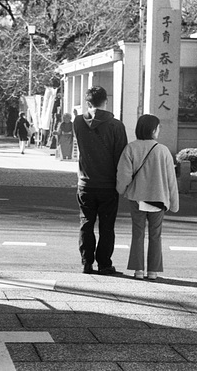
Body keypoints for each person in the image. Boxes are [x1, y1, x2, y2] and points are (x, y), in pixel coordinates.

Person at [116, 115, 179, 280]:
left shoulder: (130, 148)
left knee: (137, 234)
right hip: (159, 198)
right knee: (155, 235)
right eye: (158, 128)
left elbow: (123, 176)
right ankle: (153, 271)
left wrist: (121, 190)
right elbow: (171, 180)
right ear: (153, 130)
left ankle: (138, 270)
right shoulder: (163, 150)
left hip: (137, 197)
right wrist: (174, 203)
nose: (159, 131)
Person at [73, 86, 128, 275]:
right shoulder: (116, 125)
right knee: (107, 226)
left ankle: (86, 263)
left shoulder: (78, 122)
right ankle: (104, 264)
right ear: (106, 100)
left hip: (85, 183)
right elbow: (122, 156)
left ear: (88, 102)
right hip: (108, 184)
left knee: (86, 223)